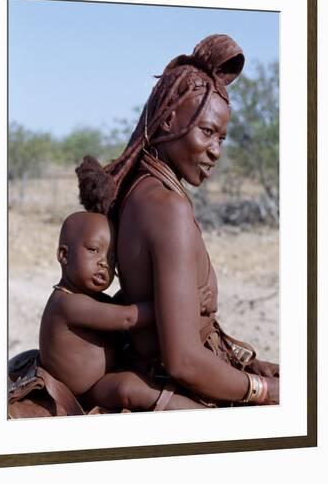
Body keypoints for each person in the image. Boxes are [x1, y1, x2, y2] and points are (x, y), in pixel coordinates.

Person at [76, 34, 280, 407]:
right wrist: (263, 391)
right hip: (170, 381)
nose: (216, 150)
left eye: (222, 137)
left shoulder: (141, 188)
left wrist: (248, 366)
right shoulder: (166, 207)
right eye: (206, 132)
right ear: (169, 119)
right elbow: (183, 360)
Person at [39, 211, 207, 411]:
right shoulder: (67, 304)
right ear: (64, 255)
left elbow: (117, 309)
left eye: (112, 257)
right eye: (93, 250)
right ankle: (198, 414)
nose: (104, 262)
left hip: (102, 378)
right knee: (127, 387)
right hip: (85, 392)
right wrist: (181, 303)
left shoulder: (90, 299)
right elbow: (127, 318)